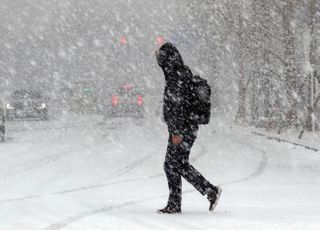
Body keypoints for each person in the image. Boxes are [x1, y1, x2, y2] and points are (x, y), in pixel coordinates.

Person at [155, 42, 222, 214]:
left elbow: (177, 106)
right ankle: (208, 191)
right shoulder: (180, 73)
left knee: (172, 164)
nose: (158, 59)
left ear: (167, 59)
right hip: (187, 127)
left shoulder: (176, 76)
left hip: (182, 129)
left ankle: (179, 202)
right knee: (177, 164)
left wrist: (176, 131)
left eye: (160, 56)